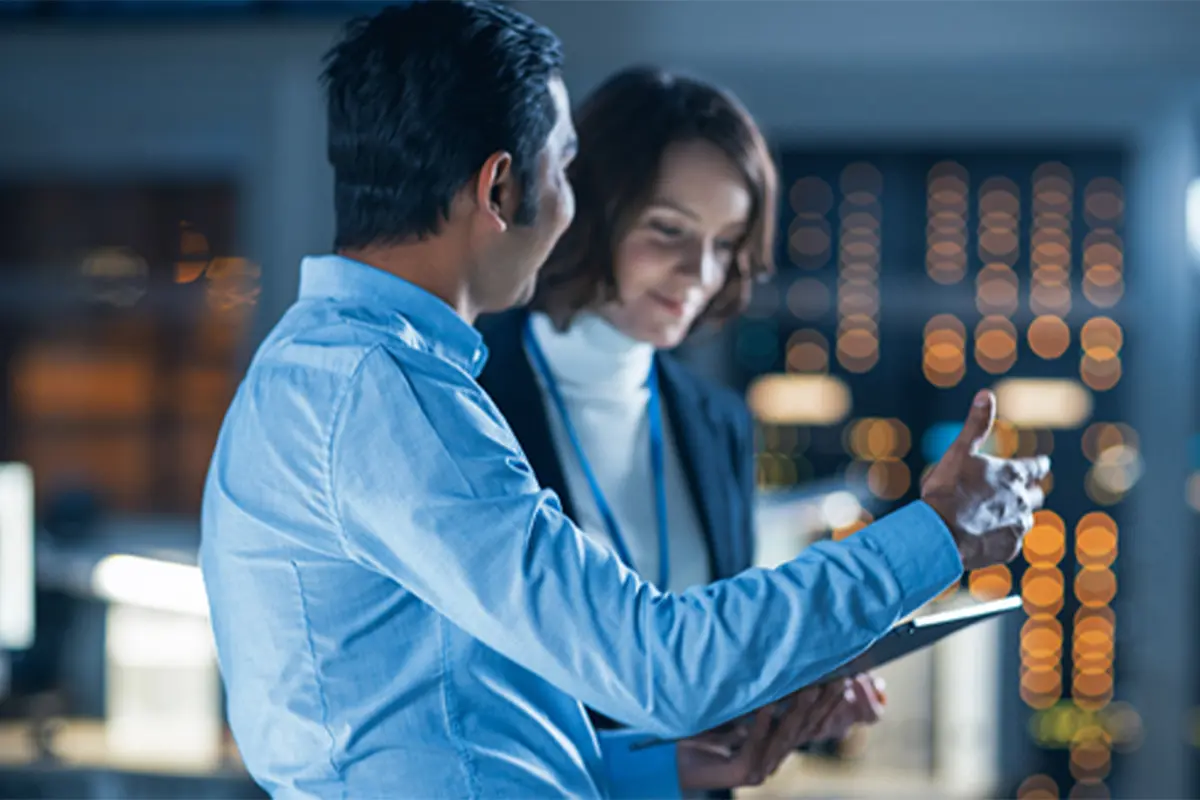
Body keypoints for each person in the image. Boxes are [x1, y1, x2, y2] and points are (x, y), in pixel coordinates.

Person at [199, 3, 1048, 799]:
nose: (571, 209)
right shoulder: (384, 394)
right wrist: (939, 531)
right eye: (564, 167)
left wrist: (666, 769)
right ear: (500, 190)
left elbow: (453, 728)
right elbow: (660, 667)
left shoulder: (351, 374)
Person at [477, 67, 885, 792]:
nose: (701, 271)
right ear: (588, 209)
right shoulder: (473, 395)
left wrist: (784, 706)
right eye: (669, 229)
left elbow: (706, 679)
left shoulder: (718, 424)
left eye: (726, 241)